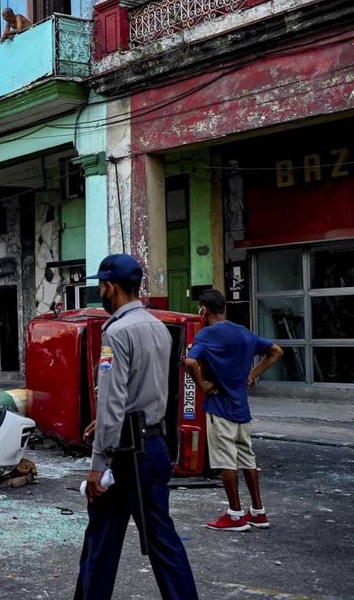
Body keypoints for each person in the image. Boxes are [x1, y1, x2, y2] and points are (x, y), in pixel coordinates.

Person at [75, 254, 198, 600]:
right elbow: (148, 390)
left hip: (125, 456)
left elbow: (114, 401)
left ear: (110, 287)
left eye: (100, 285)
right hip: (154, 447)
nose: (100, 291)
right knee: (163, 543)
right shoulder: (158, 327)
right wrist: (106, 424)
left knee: (101, 542)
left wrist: (98, 467)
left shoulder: (116, 331)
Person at [184, 289, 283, 532]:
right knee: (248, 459)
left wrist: (203, 384)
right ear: (224, 308)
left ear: (203, 310)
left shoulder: (206, 335)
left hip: (220, 409)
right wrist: (252, 374)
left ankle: (235, 514)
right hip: (242, 408)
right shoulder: (244, 333)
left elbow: (189, 361)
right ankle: (258, 511)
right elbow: (276, 351)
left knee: (225, 460)